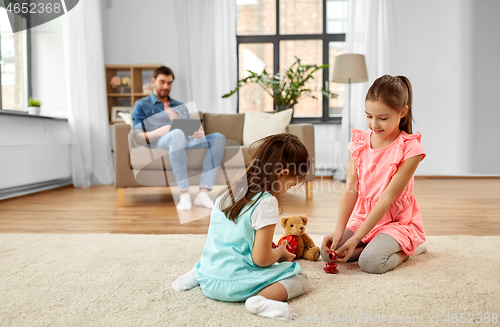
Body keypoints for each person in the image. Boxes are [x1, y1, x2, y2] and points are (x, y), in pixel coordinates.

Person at [172, 134, 311, 321]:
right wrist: (280, 253)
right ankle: (260, 301)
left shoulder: (227, 191)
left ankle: (196, 274)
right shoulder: (267, 201)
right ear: (282, 174)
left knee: (219, 253)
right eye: (291, 184)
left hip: (209, 279)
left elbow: (230, 235)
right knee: (300, 277)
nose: (288, 190)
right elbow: (261, 259)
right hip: (234, 286)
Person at [321, 75, 428, 274]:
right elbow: (350, 190)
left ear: (402, 112)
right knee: (328, 253)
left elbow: (386, 198)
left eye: (383, 118)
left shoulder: (411, 149)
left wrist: (354, 239)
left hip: (395, 220)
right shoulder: (360, 142)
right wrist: (339, 230)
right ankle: (368, 246)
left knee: (371, 263)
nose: (374, 124)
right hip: (364, 216)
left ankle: (410, 249)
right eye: (369, 116)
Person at [131, 66, 226, 210]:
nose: (166, 86)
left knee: (218, 137)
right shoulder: (141, 105)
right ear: (153, 81)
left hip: (186, 140)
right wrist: (161, 131)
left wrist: (199, 133)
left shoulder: (180, 106)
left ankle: (203, 193)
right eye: (162, 82)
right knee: (176, 134)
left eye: (169, 83)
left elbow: (191, 127)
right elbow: (138, 137)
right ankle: (184, 194)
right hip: (162, 141)